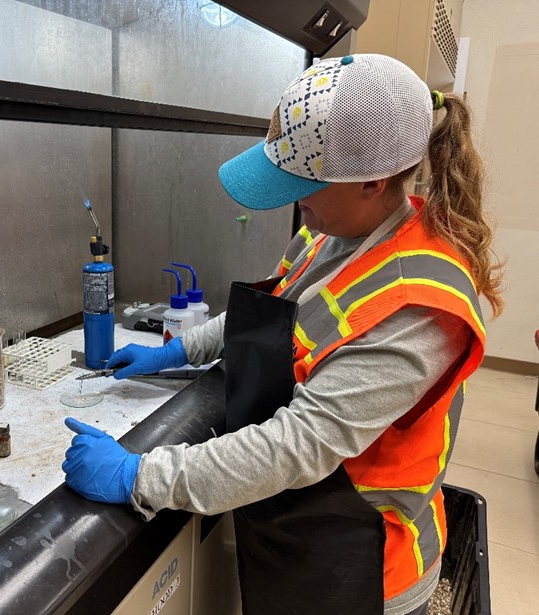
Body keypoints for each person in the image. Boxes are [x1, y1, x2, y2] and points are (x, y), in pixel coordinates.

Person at [62, 54, 503, 615]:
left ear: (372, 180)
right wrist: (175, 351)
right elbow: (276, 312)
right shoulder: (336, 232)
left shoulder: (418, 307)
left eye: (304, 184)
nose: (296, 201)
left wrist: (139, 476)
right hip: (297, 532)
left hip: (363, 568)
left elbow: (298, 446)